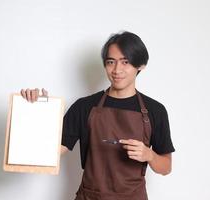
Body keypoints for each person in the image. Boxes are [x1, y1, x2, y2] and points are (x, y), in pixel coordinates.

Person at [20, 31, 175, 200]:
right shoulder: (84, 107)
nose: (117, 70)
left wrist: (149, 155)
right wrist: (36, 110)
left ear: (141, 65)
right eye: (111, 62)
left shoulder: (155, 110)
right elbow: (48, 152)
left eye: (125, 62)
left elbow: (166, 167)